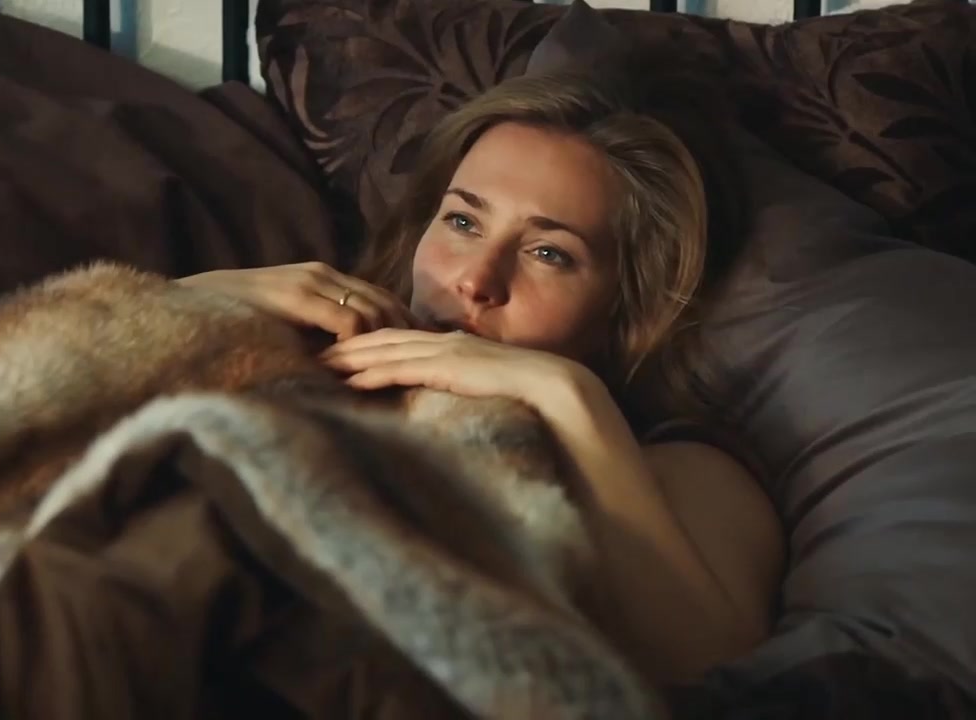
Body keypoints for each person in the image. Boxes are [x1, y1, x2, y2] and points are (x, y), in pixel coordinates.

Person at [177, 70, 785, 688]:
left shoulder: (684, 467)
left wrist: (567, 398)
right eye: (463, 222)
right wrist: (186, 301)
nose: (476, 280)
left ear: (626, 307)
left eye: (549, 254)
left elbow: (715, 671)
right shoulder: (291, 349)